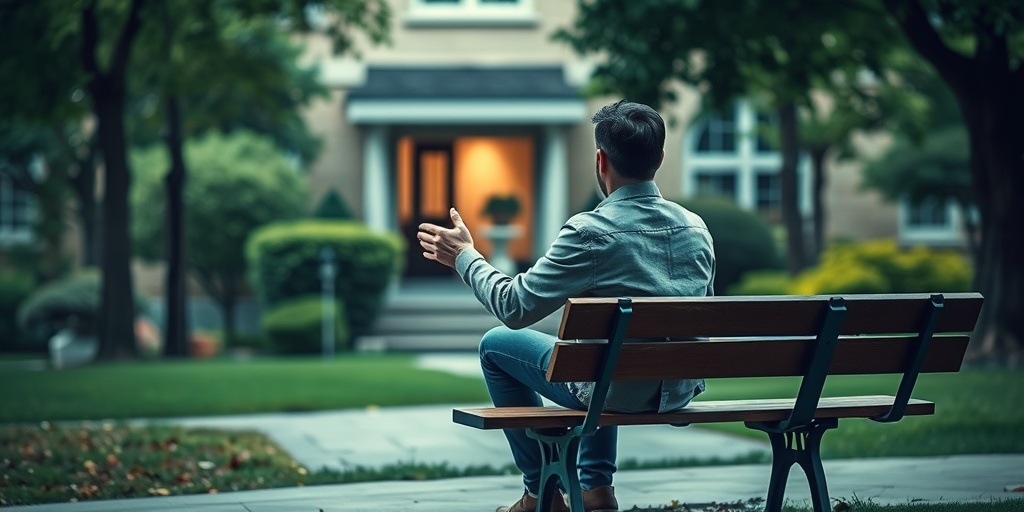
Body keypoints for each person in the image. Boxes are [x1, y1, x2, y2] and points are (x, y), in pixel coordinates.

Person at [417, 100, 716, 512]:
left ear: (601, 160)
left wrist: (465, 257)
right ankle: (596, 490)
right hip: (677, 391)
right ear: (660, 158)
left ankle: (542, 492)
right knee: (603, 357)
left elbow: (514, 307)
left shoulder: (590, 232)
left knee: (496, 344)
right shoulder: (696, 228)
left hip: (616, 390)